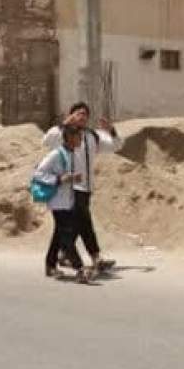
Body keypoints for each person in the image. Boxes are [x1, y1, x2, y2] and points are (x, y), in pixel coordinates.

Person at [42, 102, 120, 273]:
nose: (82, 116)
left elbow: (116, 146)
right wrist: (65, 123)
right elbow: (47, 140)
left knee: (70, 227)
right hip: (69, 188)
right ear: (71, 115)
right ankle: (92, 258)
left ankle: (57, 259)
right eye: (78, 113)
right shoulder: (63, 133)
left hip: (86, 188)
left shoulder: (92, 136)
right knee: (81, 224)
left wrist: (111, 130)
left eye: (85, 113)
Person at [33, 124, 91, 283]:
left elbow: (67, 176)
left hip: (68, 201)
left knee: (60, 235)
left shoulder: (72, 154)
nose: (81, 140)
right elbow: (38, 173)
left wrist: (72, 178)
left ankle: (50, 265)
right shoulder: (56, 154)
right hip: (57, 201)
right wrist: (59, 179)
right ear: (70, 138)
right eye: (79, 137)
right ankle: (79, 268)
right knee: (66, 235)